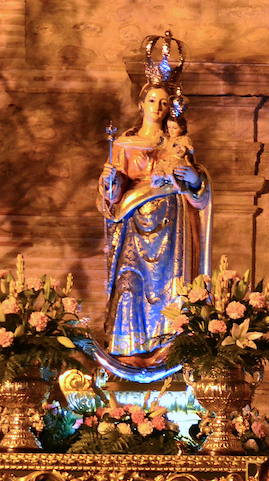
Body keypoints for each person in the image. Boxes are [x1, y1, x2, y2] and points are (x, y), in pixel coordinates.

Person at [96, 77, 211, 382]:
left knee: (170, 287)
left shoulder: (177, 143)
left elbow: (198, 189)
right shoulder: (122, 144)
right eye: (151, 101)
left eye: (163, 103)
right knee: (129, 282)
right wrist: (111, 182)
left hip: (172, 226)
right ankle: (127, 348)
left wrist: (194, 178)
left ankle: (168, 348)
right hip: (133, 223)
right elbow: (111, 195)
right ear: (141, 104)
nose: (157, 108)